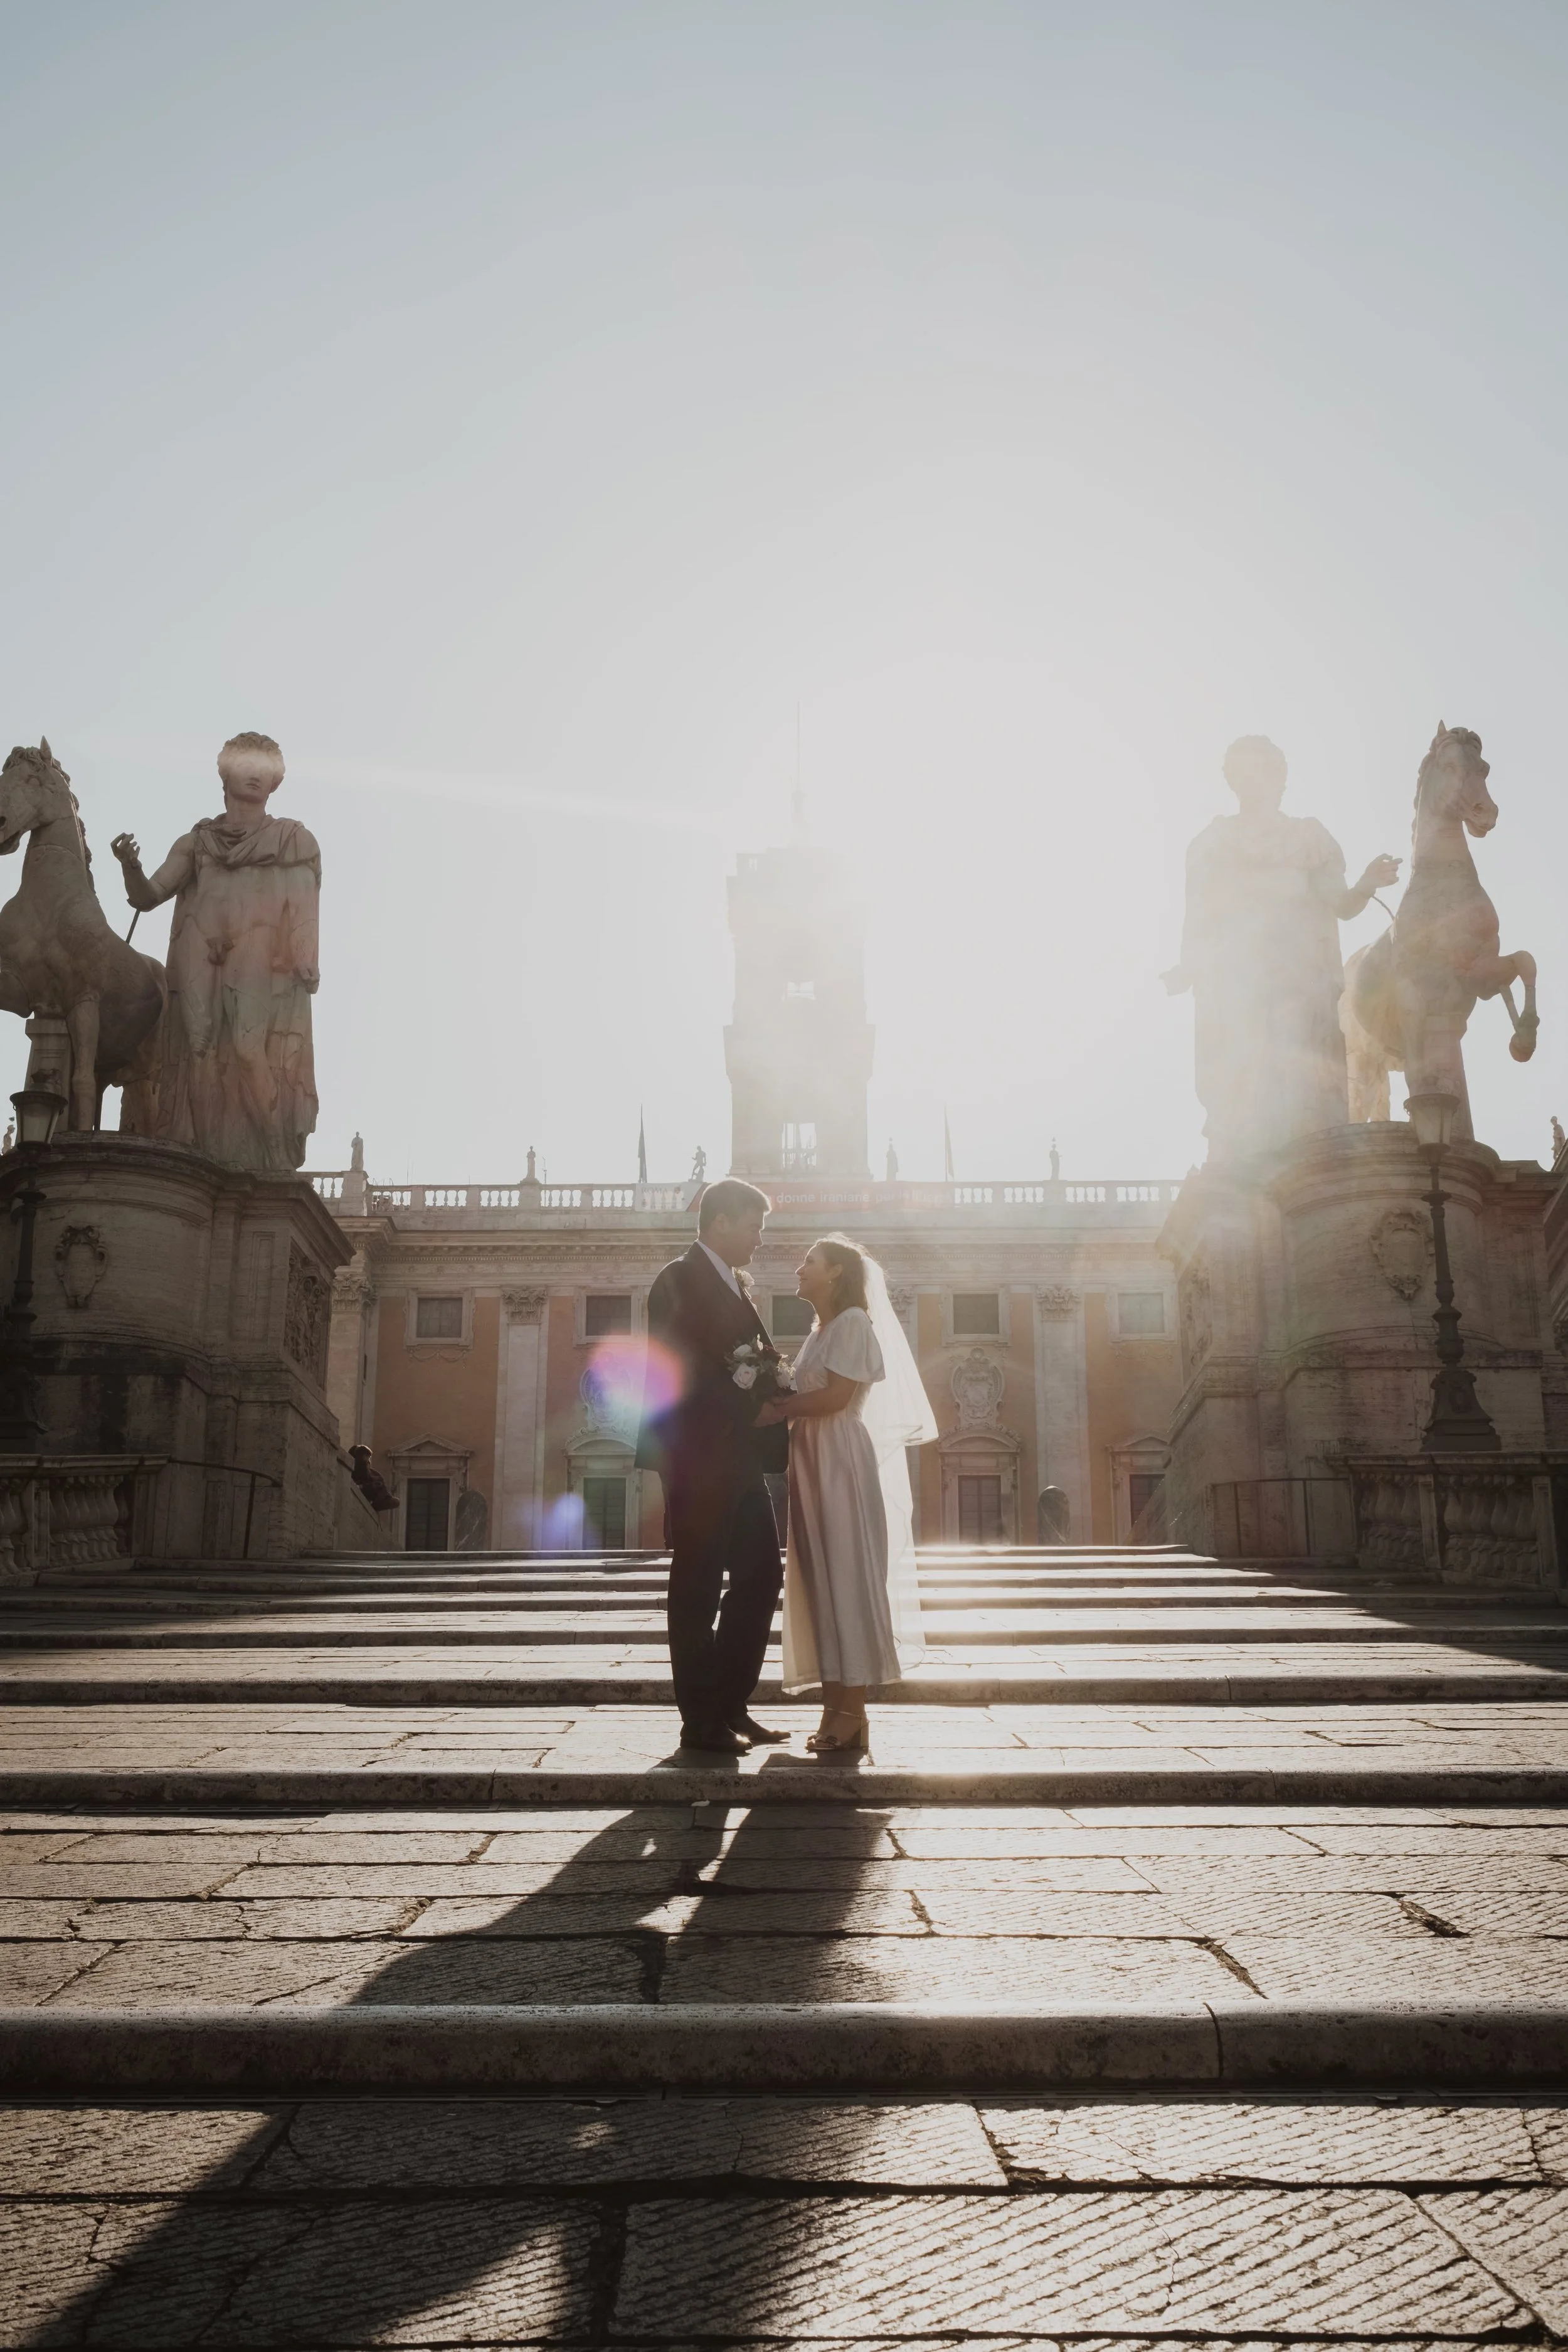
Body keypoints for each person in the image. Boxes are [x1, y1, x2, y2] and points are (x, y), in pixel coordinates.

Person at [1163, 736, 1400, 1160]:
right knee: (1243, 1072)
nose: (1253, 780)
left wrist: (1365, 883)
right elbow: (1198, 917)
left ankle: (1305, 1159)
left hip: (1299, 977)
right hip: (1237, 980)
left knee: (1298, 1071)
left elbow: (1340, 903)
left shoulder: (1309, 838)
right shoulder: (1212, 843)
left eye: (1262, 770)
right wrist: (1189, 967)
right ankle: (1242, 1155)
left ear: (1279, 779)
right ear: (1233, 781)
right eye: (1243, 771)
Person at [756, 1234, 937, 1753]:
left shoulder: (855, 1322)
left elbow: (837, 1397)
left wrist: (777, 1410)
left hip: (837, 1455)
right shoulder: (821, 1331)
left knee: (846, 1578)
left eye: (809, 1261)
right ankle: (835, 1710)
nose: (799, 1267)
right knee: (821, 1581)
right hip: (813, 1457)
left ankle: (852, 1711)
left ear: (836, 1273)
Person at [111, 731, 320, 1172]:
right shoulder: (197, 841)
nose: (256, 776)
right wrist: (130, 865)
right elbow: (149, 896)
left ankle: (273, 1154)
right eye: (247, 766)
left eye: (266, 771)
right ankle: (204, 1162)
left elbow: (303, 904)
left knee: (248, 1048)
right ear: (225, 773)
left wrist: (306, 956)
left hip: (258, 955)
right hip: (197, 952)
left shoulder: (291, 839)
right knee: (198, 1051)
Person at [635, 1178, 790, 1756]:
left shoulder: (736, 1286)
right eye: (754, 1226)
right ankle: (699, 1719)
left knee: (760, 1576)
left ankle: (729, 1703)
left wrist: (774, 1390)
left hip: (739, 1459)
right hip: (698, 1453)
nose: (758, 1239)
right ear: (720, 1221)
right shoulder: (678, 1278)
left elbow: (751, 1359)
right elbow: (680, 1366)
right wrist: (751, 1407)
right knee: (698, 1583)